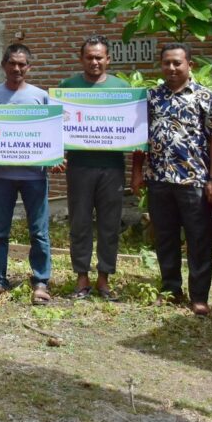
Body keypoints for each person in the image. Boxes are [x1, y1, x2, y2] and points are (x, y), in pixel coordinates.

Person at [131, 43, 212, 316]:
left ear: (189, 65)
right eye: (166, 63)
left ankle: (199, 296)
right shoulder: (151, 97)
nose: (171, 68)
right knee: (165, 237)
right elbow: (139, 138)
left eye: (177, 63)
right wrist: (137, 172)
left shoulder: (207, 98)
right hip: (159, 179)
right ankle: (171, 289)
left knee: (198, 239)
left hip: (194, 180)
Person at [0, 44, 54, 306]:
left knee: (39, 231)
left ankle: (41, 281)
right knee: (0, 231)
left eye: (22, 64)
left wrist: (55, 157)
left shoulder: (41, 97)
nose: (17, 68)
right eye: (12, 63)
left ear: (29, 67)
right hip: (2, 177)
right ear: (4, 65)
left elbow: (51, 133)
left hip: (35, 177)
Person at [58, 36, 130, 301]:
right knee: (80, 223)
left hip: (112, 167)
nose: (94, 61)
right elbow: (57, 126)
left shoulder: (121, 88)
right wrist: (57, 155)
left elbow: (132, 126)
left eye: (99, 57)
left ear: (108, 59)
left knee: (110, 225)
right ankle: (81, 278)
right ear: (81, 59)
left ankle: (104, 279)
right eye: (89, 57)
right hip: (79, 166)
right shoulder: (68, 87)